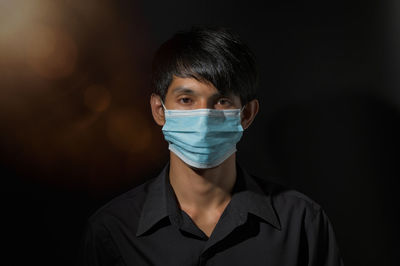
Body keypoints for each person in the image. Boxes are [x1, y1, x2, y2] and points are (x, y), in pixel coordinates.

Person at [82, 26, 344, 266]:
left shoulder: (300, 223)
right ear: (159, 110)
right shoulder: (113, 231)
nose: (204, 117)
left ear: (246, 114)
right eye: (186, 100)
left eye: (221, 101)